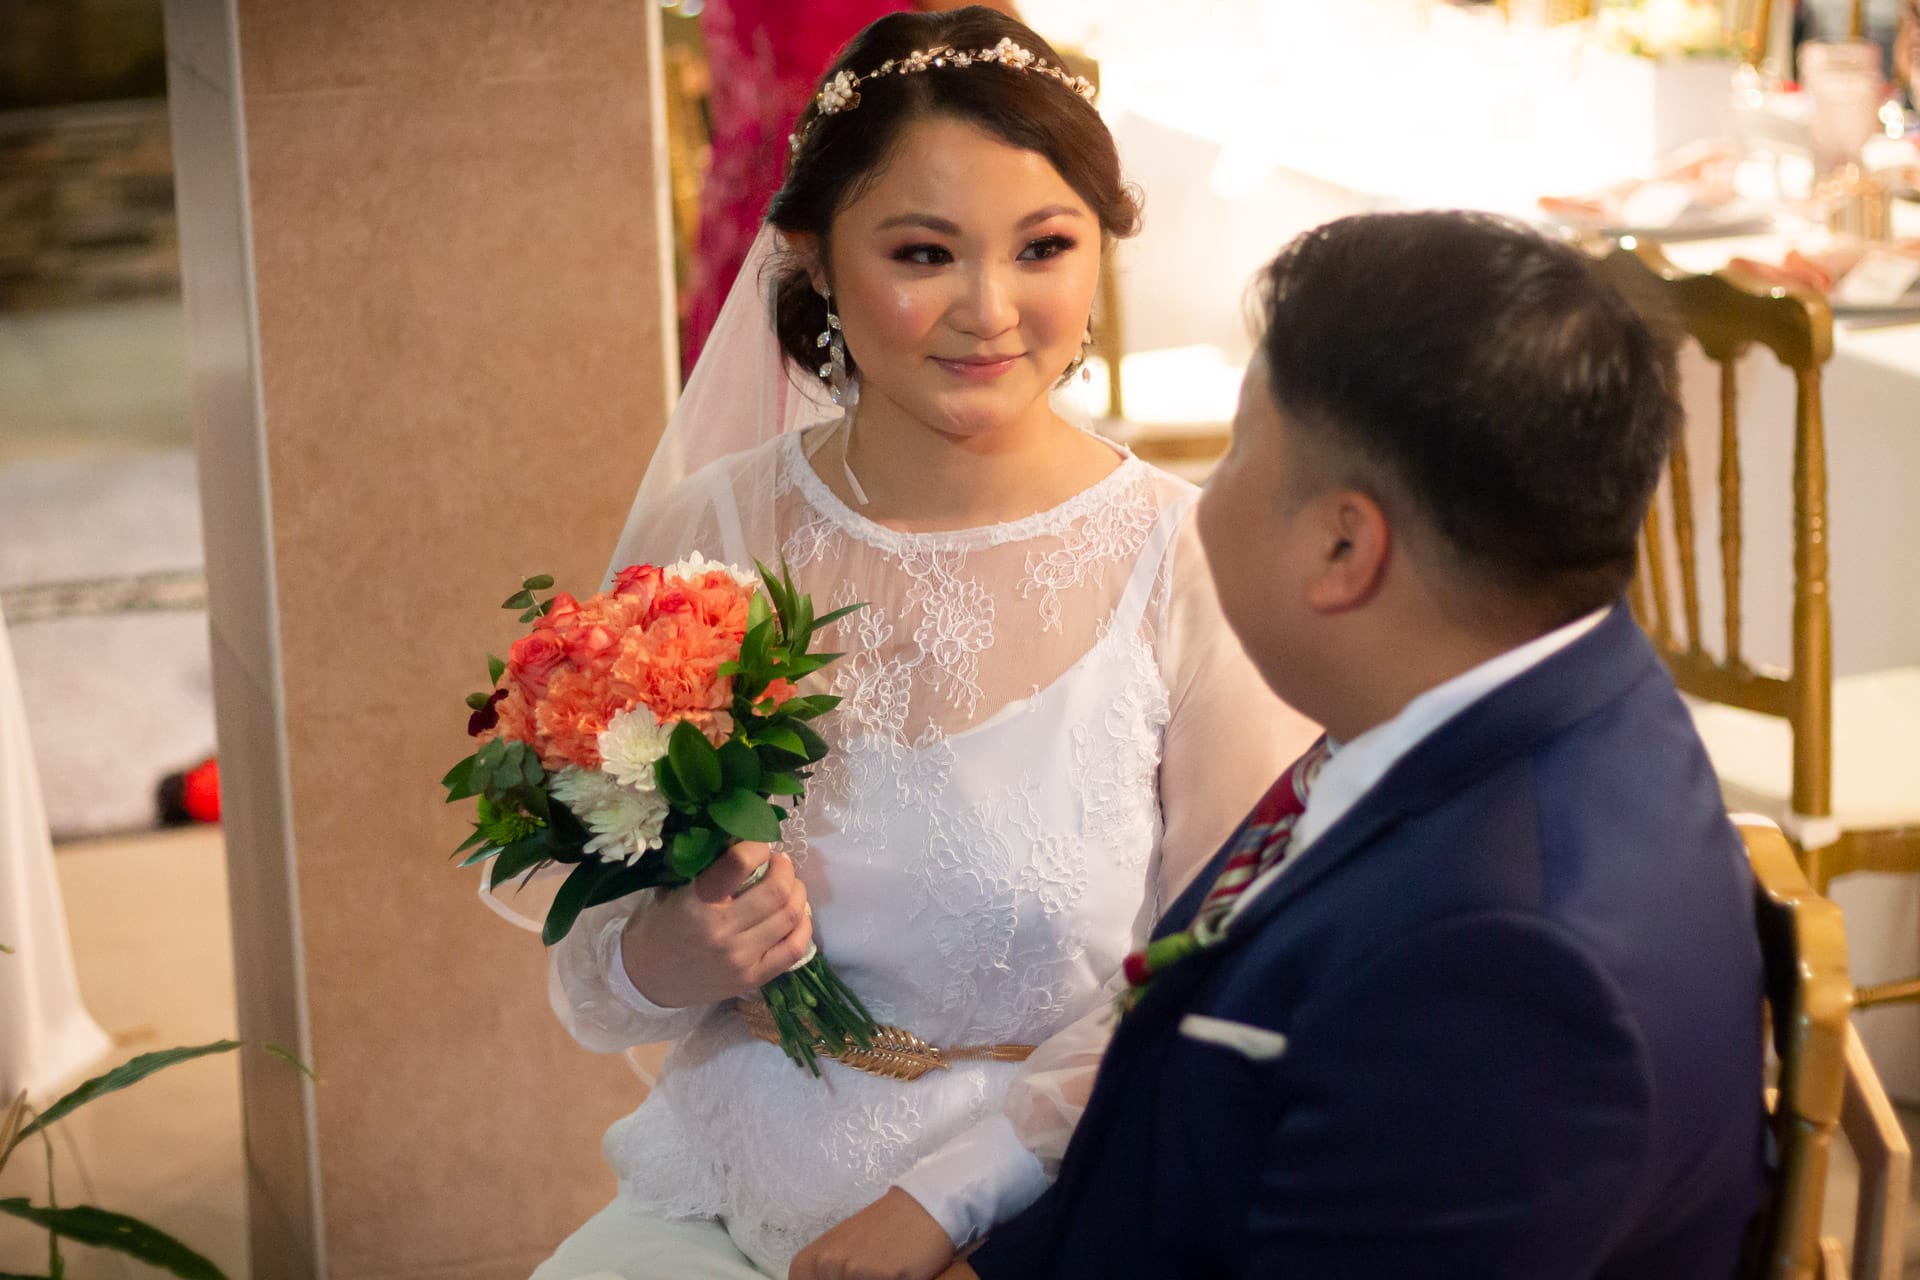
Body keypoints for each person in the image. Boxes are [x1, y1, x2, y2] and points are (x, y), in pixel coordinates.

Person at [526, 9, 1317, 1279]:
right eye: (924, 252)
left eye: (1045, 247)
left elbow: (1219, 967)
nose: (991, 311)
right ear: (813, 258)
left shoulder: (1189, 559)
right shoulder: (712, 530)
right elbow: (593, 972)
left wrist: (941, 1202)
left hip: (1053, 1197)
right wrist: (670, 947)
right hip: (728, 1181)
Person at [952, 212, 1771, 1279]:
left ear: (1345, 544)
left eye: (1240, 445)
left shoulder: (1502, 983)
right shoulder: (1537, 685)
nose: (1205, 490)